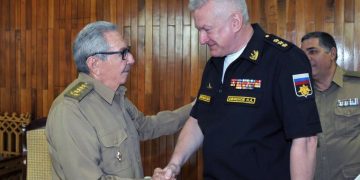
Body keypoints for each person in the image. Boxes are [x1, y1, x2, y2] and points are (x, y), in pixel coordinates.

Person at [152, 0, 322, 179]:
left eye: (207, 29)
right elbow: (198, 120)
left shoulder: (285, 60)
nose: (202, 39)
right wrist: (174, 164)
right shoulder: (214, 64)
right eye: (199, 30)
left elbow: (306, 140)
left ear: (235, 22)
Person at [45, 21, 192, 180]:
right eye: (123, 53)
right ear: (95, 64)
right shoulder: (71, 111)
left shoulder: (114, 96)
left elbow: (146, 126)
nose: (132, 59)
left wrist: (195, 107)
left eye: (128, 51)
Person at [301, 32, 360, 180]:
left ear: (332, 53)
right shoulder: (298, 93)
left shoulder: (356, 87)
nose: (306, 58)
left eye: (313, 51)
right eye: (303, 53)